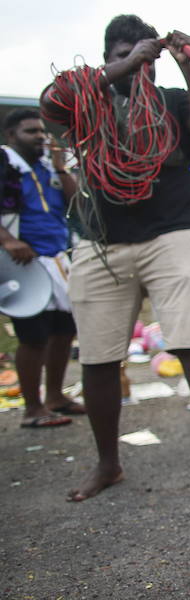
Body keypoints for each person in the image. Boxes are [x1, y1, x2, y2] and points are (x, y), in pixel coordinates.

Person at [40, 15, 190, 504]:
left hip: (172, 235)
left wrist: (186, 67)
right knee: (99, 357)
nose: (134, 66)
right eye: (121, 55)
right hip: (100, 241)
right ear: (109, 57)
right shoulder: (84, 100)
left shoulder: (173, 100)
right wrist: (127, 63)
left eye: (140, 56)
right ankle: (108, 464)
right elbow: (50, 103)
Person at [1, 109, 82, 428]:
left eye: (41, 131)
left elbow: (76, 203)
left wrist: (62, 170)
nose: (39, 137)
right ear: (10, 136)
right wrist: (7, 240)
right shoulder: (6, 164)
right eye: (30, 131)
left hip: (57, 259)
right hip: (23, 264)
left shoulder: (50, 165)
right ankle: (32, 408)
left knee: (64, 330)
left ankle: (55, 397)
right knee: (33, 336)